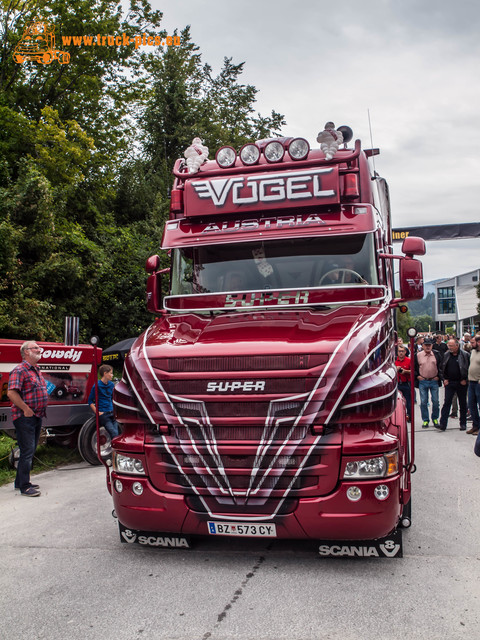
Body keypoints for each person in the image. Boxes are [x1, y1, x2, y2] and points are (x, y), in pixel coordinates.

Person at [7, 341, 48, 497]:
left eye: (39, 347)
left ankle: (20, 482)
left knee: (29, 450)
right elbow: (11, 393)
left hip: (37, 416)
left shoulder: (36, 369)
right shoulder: (19, 370)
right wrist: (26, 409)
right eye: (35, 348)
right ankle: (25, 487)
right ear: (26, 352)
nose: (39, 350)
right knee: (27, 451)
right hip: (25, 417)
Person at [438, 339, 470, 431]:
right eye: (449, 346)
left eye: (451, 346)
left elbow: (469, 368)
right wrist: (444, 379)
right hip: (450, 382)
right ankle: (443, 424)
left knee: (463, 404)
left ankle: (463, 423)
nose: (450, 348)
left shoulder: (465, 355)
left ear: (457, 345)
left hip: (461, 382)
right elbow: (441, 368)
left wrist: (466, 380)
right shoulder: (446, 355)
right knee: (447, 403)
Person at [414, 336, 442, 428]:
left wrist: (439, 377)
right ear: (422, 345)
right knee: (423, 402)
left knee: (435, 401)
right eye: (426, 345)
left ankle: (435, 418)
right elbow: (414, 367)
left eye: (429, 345)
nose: (428, 347)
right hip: (423, 381)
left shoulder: (436, 354)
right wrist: (417, 376)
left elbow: (441, 366)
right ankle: (425, 420)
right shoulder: (417, 355)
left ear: (432, 345)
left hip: (434, 380)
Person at [88, 364, 120, 439]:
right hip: (104, 415)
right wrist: (97, 412)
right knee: (114, 434)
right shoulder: (97, 386)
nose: (112, 375)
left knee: (117, 434)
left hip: (112, 413)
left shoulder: (111, 385)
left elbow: (113, 398)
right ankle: (115, 450)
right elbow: (90, 401)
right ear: (105, 373)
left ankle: (114, 451)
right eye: (111, 373)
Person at [467, 334, 480, 437]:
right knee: (471, 405)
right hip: (471, 382)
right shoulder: (473, 351)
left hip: (478, 382)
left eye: (473, 343)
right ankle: (475, 425)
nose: (471, 344)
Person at [395, 345, 412, 421]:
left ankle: (409, 416)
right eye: (399, 351)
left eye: (402, 351)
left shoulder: (409, 360)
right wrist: (396, 369)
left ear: (405, 352)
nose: (401, 353)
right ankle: (398, 416)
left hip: (406, 383)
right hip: (397, 383)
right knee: (397, 401)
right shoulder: (394, 361)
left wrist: (405, 371)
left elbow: (413, 371)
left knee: (408, 400)